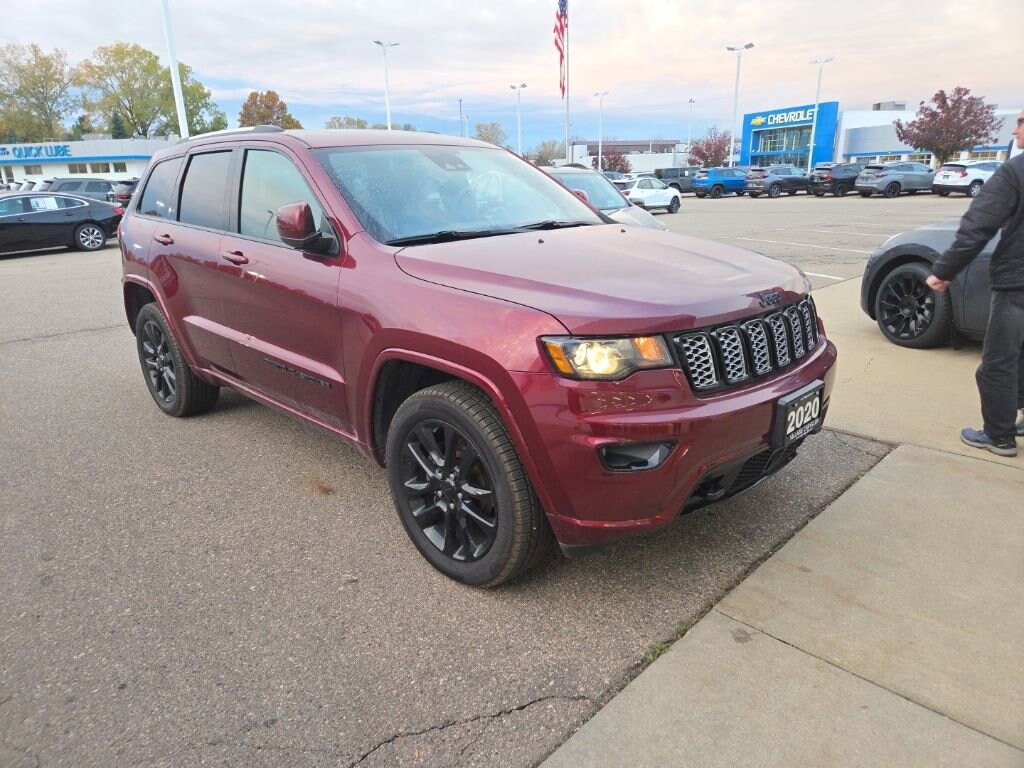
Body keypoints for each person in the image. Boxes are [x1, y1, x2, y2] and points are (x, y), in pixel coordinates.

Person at [927, 109, 1024, 457]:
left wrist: (944, 271)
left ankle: (999, 436)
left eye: (1021, 122)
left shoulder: (1015, 171)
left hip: (1018, 286)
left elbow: (979, 224)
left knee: (998, 362)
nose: (1015, 130)